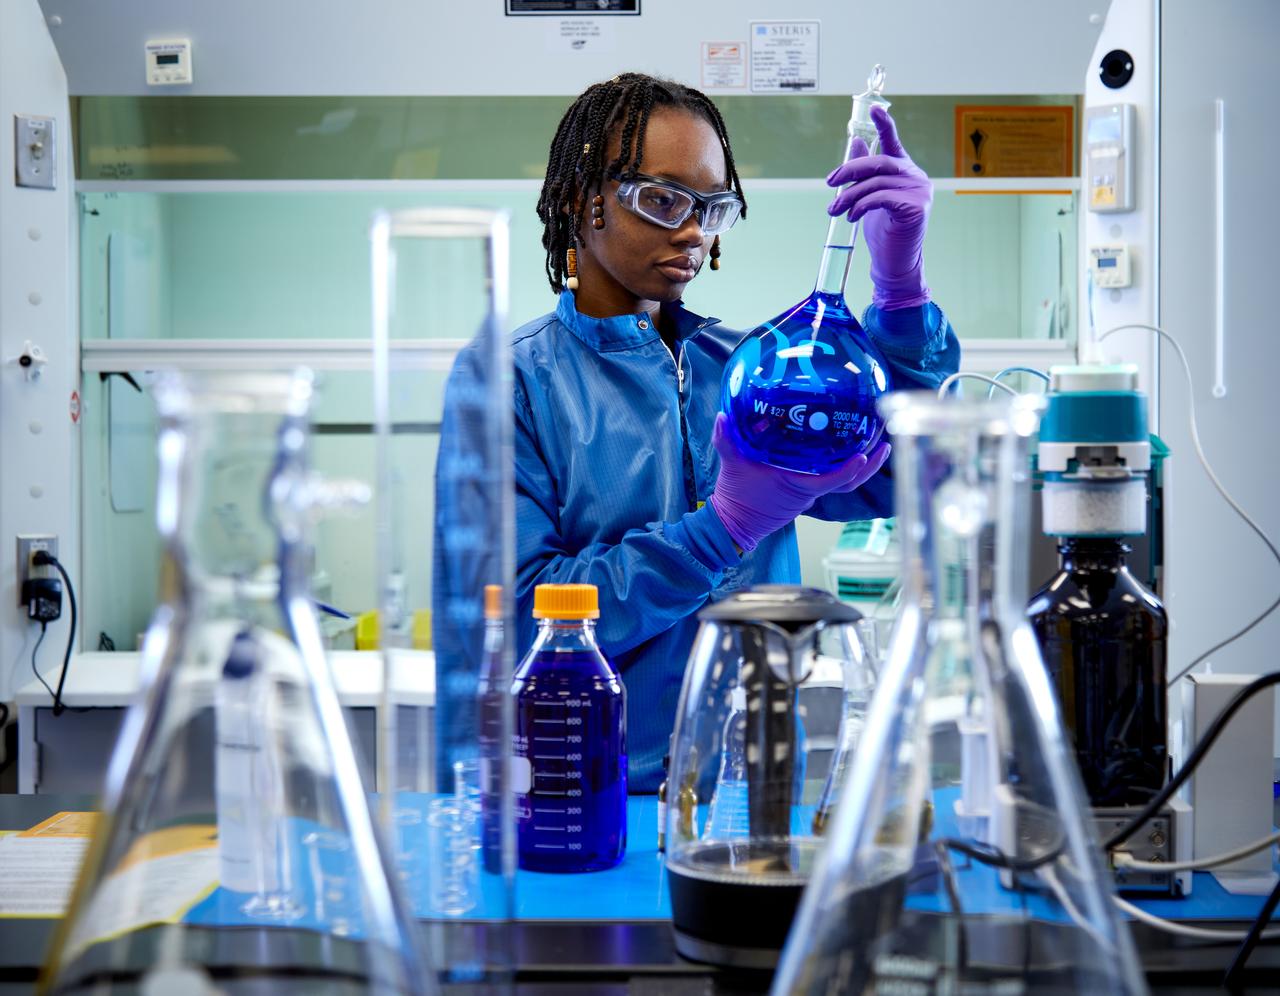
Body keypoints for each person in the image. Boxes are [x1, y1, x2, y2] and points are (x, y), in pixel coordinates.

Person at [434, 73, 959, 792]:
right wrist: (722, 529)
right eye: (662, 199)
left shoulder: (749, 372)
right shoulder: (508, 381)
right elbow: (520, 625)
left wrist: (900, 293)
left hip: (753, 794)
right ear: (578, 201)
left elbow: (910, 470)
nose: (692, 229)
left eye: (713, 207)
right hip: (586, 800)